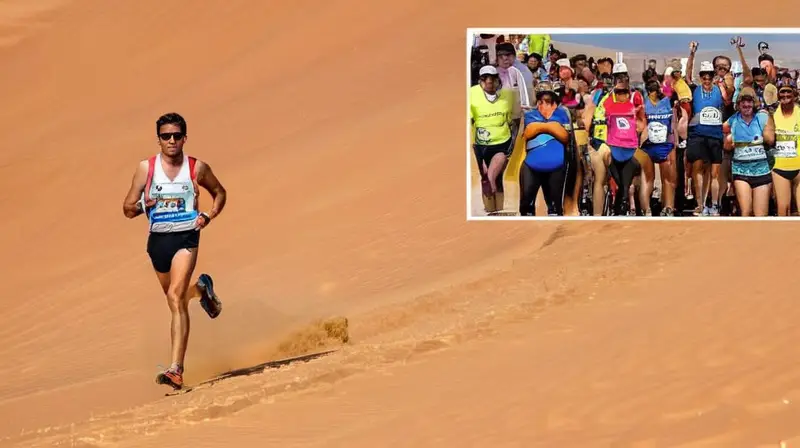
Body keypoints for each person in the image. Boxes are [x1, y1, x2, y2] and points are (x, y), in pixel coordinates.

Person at [122, 112, 227, 389]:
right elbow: (127, 208)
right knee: (176, 299)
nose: (172, 140)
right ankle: (202, 290)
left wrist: (207, 216)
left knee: (175, 296)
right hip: (158, 242)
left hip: (186, 237)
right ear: (158, 139)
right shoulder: (146, 169)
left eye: (177, 136)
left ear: (184, 138)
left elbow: (220, 192)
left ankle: (175, 369)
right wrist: (145, 205)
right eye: (166, 136)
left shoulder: (196, 168)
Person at [686, 42, 731, 216]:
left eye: (709, 75)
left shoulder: (720, 90)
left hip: (715, 136)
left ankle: (714, 205)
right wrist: (692, 53)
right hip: (698, 134)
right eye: (703, 75)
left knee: (714, 173)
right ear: (701, 76)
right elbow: (687, 75)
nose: (706, 78)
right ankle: (700, 204)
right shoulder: (695, 89)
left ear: (713, 76)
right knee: (697, 168)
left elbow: (729, 97)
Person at [519, 81, 574, 216]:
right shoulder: (529, 114)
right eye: (541, 98)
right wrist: (552, 126)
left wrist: (541, 127)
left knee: (555, 208)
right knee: (526, 206)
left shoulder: (562, 113)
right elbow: (528, 132)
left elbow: (564, 136)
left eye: (548, 98)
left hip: (556, 166)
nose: (544, 102)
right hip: (531, 165)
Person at [600, 62, 645, 216]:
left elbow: (641, 121)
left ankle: (625, 206)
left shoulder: (635, 97)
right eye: (617, 77)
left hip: (630, 146)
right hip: (613, 145)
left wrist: (636, 132)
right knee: (618, 182)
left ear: (627, 77)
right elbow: (602, 118)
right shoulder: (608, 98)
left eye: (623, 76)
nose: (621, 79)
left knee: (626, 182)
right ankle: (619, 205)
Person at [723, 88, 775, 216]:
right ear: (738, 104)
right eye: (743, 102)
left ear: (754, 103)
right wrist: (728, 141)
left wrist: (765, 130)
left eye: (749, 101)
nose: (746, 105)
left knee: (760, 215)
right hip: (741, 171)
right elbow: (725, 142)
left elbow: (770, 140)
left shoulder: (762, 117)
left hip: (761, 170)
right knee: (746, 212)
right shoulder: (733, 120)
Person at [470, 66, 514, 214]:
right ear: (480, 80)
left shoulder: (506, 96)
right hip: (481, 146)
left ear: (497, 80)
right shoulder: (471, 94)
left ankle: (499, 210)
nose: (489, 81)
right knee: (487, 178)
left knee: (495, 177)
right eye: (485, 78)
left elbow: (512, 120)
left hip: (502, 143)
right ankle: (490, 210)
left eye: (492, 78)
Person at [639, 78, 684, 216]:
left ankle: (649, 209)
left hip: (654, 144)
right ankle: (666, 208)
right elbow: (674, 123)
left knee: (649, 180)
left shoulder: (646, 102)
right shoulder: (665, 101)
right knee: (666, 180)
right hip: (661, 144)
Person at [771, 77, 800, 216]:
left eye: (789, 92)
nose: (785, 95)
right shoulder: (772, 115)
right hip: (779, 168)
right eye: (782, 92)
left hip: (799, 168)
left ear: (795, 95)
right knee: (783, 209)